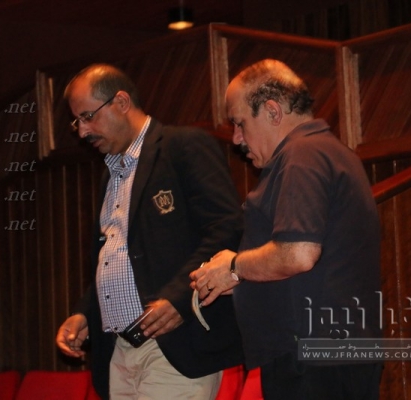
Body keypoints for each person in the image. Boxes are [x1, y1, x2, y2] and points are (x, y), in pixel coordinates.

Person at [190, 59, 383, 399]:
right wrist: (238, 277)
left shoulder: (302, 154)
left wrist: (234, 267)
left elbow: (298, 253)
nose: (236, 139)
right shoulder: (328, 152)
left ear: (272, 111)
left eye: (239, 123)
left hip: (312, 360)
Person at [55, 64, 244, 400]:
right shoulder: (111, 173)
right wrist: (85, 312)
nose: (82, 131)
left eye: (88, 117)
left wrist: (181, 300)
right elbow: (116, 256)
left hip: (173, 345)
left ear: (121, 102)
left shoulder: (182, 147)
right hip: (119, 351)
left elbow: (227, 228)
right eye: (77, 122)